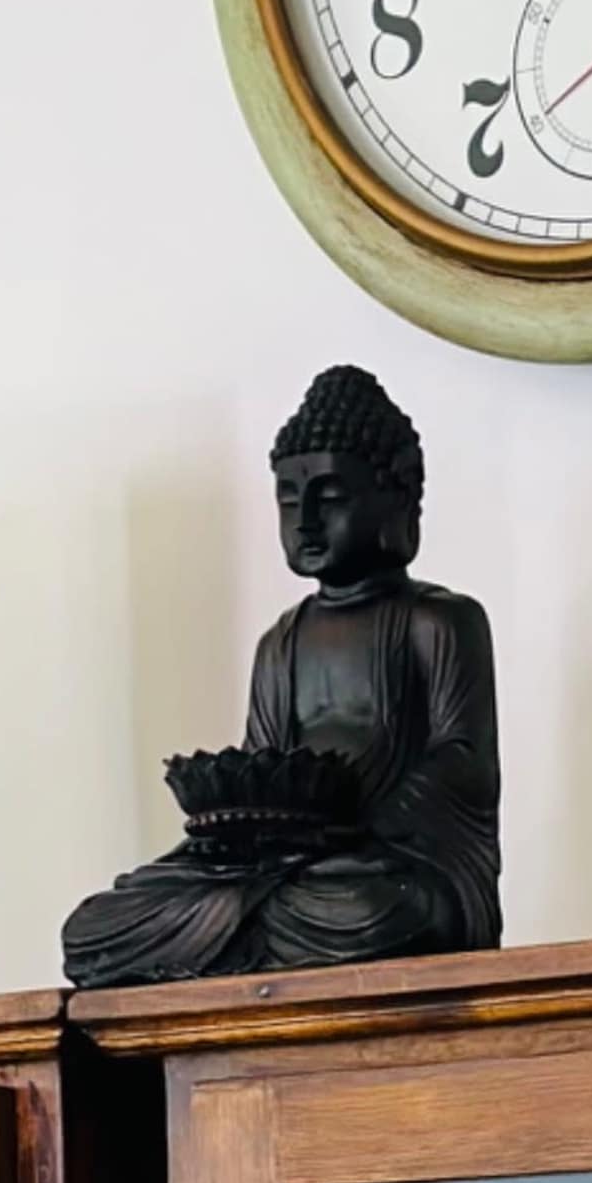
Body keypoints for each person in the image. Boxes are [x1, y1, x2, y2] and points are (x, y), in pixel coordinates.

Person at [61, 366, 501, 986]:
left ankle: (246, 933)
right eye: (291, 502)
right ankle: (243, 928)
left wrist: (354, 819)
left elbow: (465, 765)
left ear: (396, 498)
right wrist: (240, 819)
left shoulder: (439, 622)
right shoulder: (281, 644)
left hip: (379, 865)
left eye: (330, 497)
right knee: (100, 926)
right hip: (280, 869)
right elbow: (264, 766)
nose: (307, 523)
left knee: (373, 911)